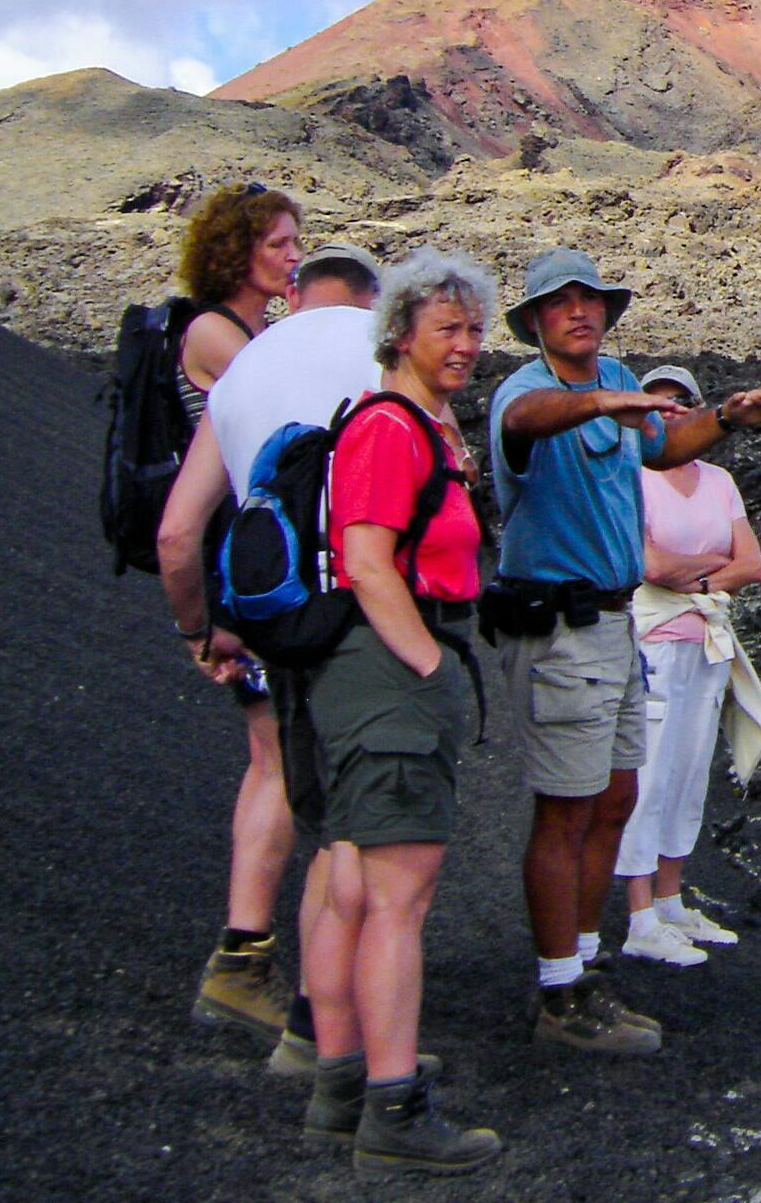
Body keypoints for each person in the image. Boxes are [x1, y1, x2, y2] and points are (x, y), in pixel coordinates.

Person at [485, 249, 761, 1053]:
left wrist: (726, 418)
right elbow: (526, 425)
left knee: (615, 798)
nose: (580, 311)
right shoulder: (523, 393)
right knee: (566, 807)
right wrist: (598, 404)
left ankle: (585, 969)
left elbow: (659, 446)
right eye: (561, 302)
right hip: (559, 624)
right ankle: (559, 992)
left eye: (592, 299)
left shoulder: (615, 375)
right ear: (535, 321)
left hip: (617, 623)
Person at [158, 242, 380, 1072]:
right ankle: (325, 1031)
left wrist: (197, 632)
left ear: (295, 293)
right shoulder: (381, 356)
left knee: (286, 780)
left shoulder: (247, 369)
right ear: (374, 296)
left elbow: (178, 533)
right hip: (357, 620)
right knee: (352, 828)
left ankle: (249, 964)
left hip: (264, 616)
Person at [302, 248, 502, 1173]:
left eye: (473, 329)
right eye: (447, 330)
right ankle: (394, 1110)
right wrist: (425, 663)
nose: (466, 346)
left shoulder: (424, 421)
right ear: (401, 335)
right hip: (388, 670)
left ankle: (342, 1085)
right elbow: (366, 557)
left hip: (371, 673)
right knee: (396, 899)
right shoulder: (390, 428)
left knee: (353, 884)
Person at [163, 183, 307, 1037]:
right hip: (237, 578)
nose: (293, 257)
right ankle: (241, 958)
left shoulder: (246, 334)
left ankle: (251, 953)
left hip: (241, 569)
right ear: (238, 252)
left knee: (278, 755)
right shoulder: (220, 336)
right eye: (280, 244)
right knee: (276, 760)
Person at [615, 366, 761, 966]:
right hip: (653, 638)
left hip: (707, 639)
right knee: (648, 772)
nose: (668, 412)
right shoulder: (629, 477)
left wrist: (695, 573)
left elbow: (752, 563)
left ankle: (672, 896)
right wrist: (710, 568)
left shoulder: (719, 480)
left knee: (688, 771)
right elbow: (649, 565)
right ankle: (638, 915)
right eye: (655, 404)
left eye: (680, 402)